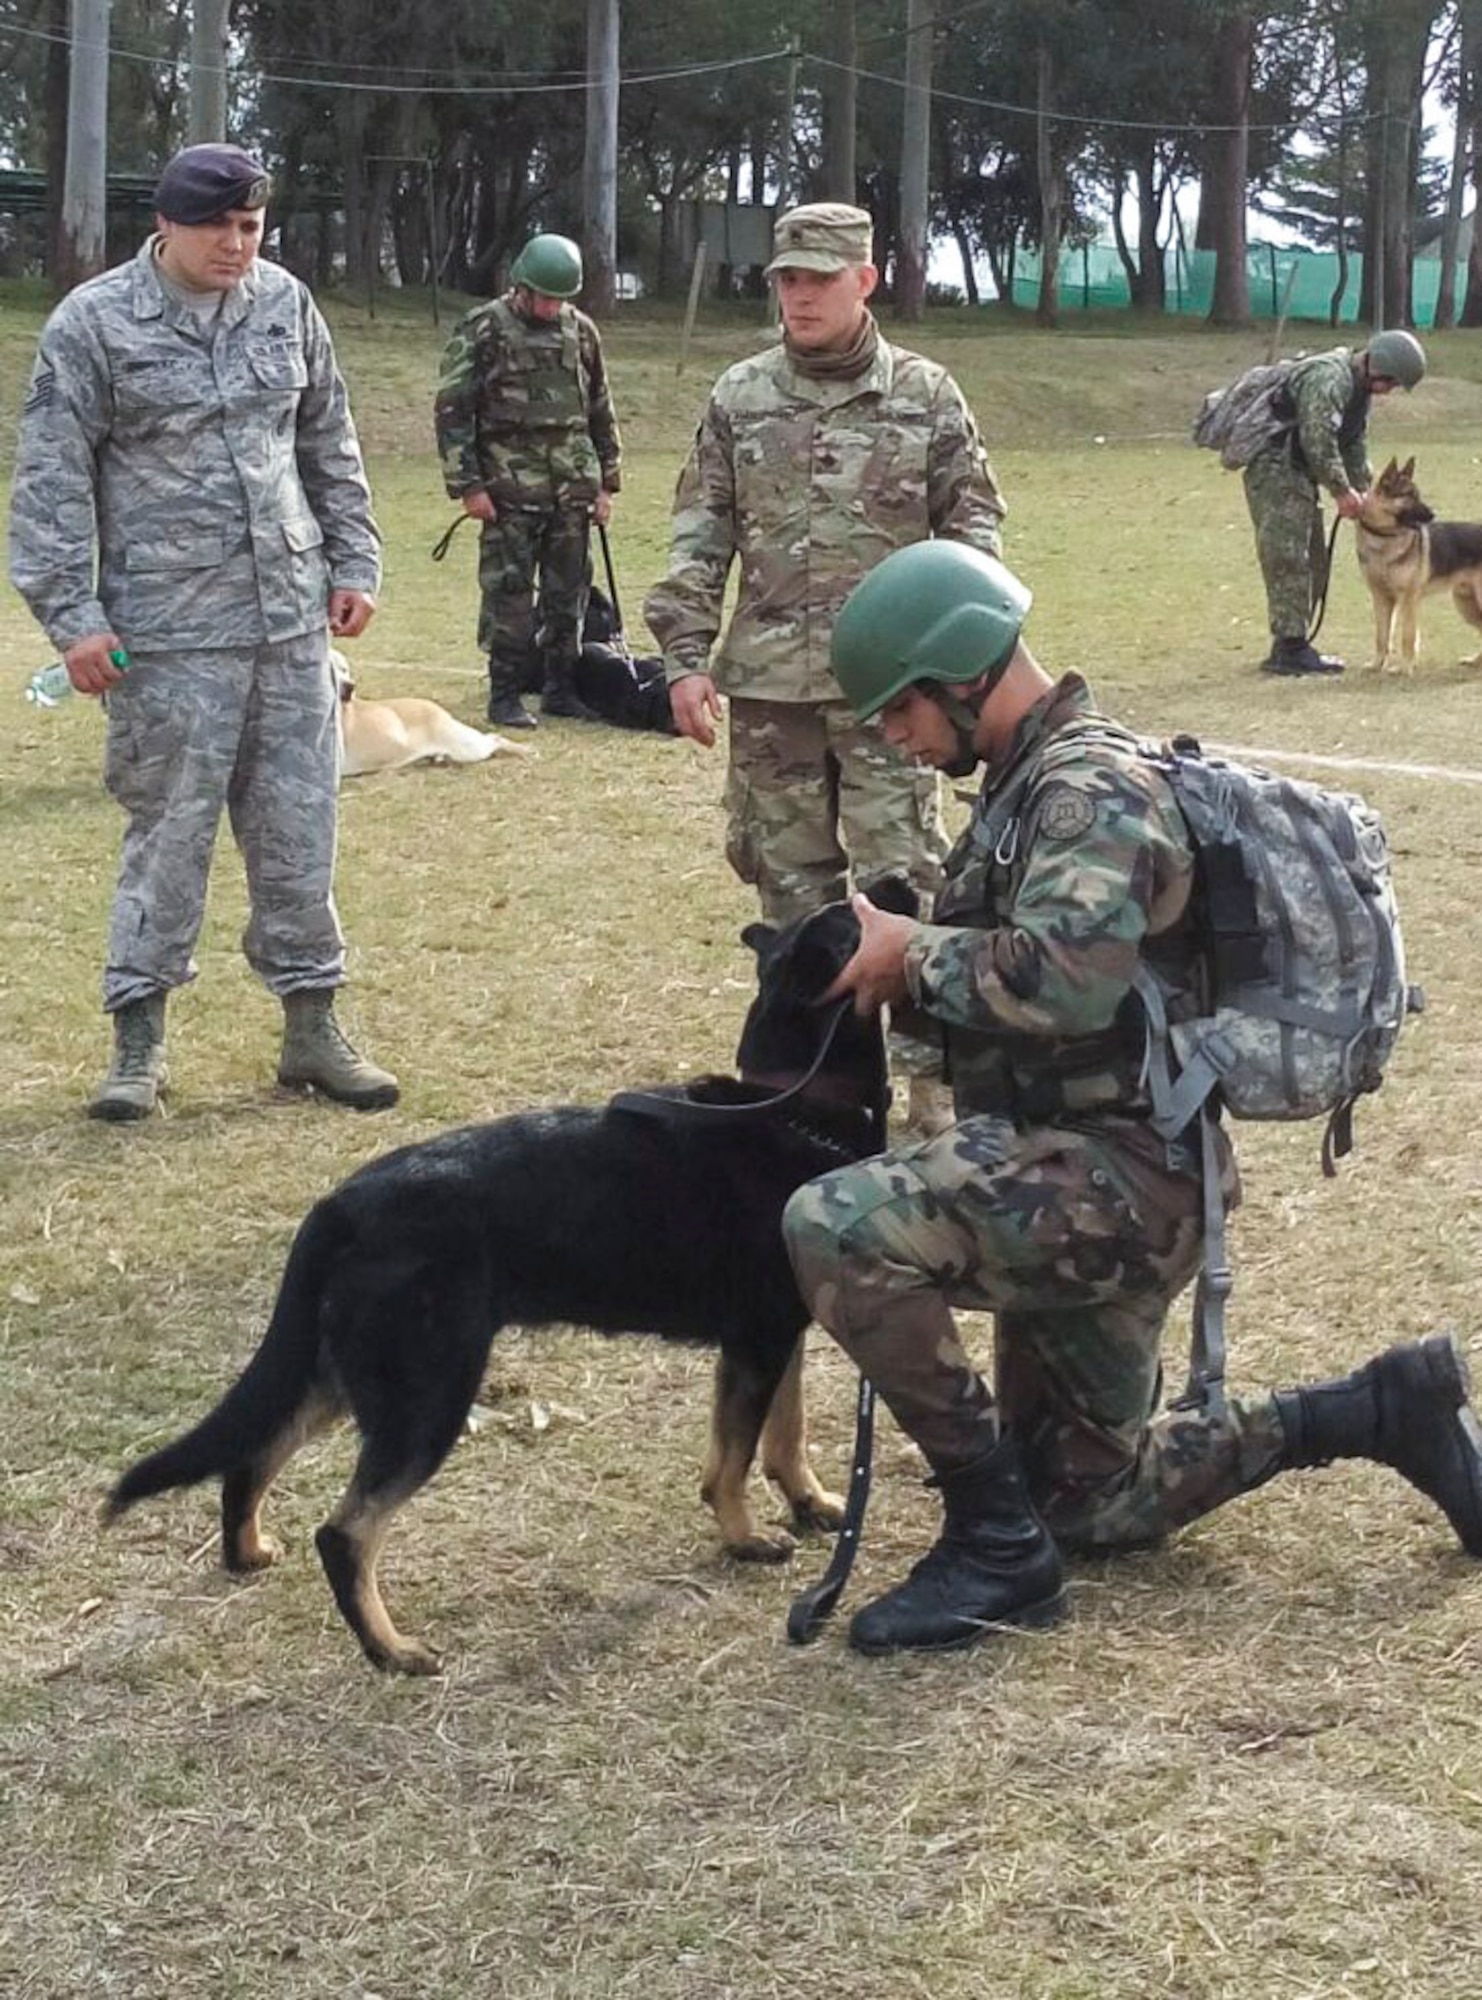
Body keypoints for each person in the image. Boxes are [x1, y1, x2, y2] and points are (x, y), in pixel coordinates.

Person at [782, 537, 1482, 1656]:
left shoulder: (1087, 791)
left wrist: (916, 956)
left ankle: (993, 1546)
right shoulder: (1027, 782)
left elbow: (1067, 977)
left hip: (1116, 1180)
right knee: (1090, 1501)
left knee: (834, 1224)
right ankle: (1377, 1406)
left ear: (962, 673)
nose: (891, 737)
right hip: (1079, 1166)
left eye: (900, 709)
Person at [9, 142, 397, 1123]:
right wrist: (74, 621)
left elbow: (327, 436)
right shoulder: (93, 324)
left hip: (288, 631)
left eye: (251, 226)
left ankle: (313, 1030)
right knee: (168, 843)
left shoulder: (284, 303)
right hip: (168, 638)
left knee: (301, 841)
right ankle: (136, 1045)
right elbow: (51, 483)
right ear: (166, 226)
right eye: (217, 227)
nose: (236, 244)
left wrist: (354, 559)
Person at [643, 201, 1005, 1135]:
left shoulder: (926, 395)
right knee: (794, 903)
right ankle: (810, 1089)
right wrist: (685, 660)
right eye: (787, 280)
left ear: (866, 282)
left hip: (897, 698)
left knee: (907, 888)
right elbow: (699, 535)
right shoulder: (740, 396)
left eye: (819, 279)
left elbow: (974, 539)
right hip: (769, 697)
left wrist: (961, 671)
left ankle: (934, 1094)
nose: (799, 297)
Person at [433, 232, 622, 729]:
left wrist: (607, 483)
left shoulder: (582, 332)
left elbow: (600, 407)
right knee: (510, 596)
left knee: (569, 595)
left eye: (561, 297)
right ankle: (505, 695)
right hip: (508, 492)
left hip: (571, 490)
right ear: (520, 286)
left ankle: (561, 688)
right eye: (543, 295)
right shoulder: (483, 330)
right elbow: (453, 411)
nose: (551, 305)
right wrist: (469, 485)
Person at [1245, 328, 1427, 678]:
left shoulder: (1360, 390)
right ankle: (1289, 648)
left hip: (1300, 471)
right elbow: (1318, 440)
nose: (1390, 390)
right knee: (1288, 555)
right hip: (1276, 468)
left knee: (1312, 555)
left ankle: (1293, 642)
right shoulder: (1330, 379)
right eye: (1390, 381)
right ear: (1380, 365)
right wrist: (1343, 491)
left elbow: (1354, 441)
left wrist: (1363, 489)